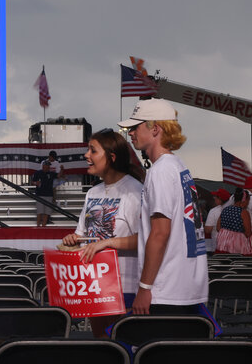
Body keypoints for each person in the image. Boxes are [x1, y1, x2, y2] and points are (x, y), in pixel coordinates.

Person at [117, 99, 208, 317]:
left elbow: (160, 232)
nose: (130, 133)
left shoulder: (160, 172)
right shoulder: (178, 166)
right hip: (185, 286)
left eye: (135, 127)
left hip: (165, 291)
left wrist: (145, 288)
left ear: (155, 128)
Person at [61, 130, 145, 337]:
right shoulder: (93, 192)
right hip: (93, 283)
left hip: (124, 284)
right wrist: (74, 239)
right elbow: (82, 234)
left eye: (93, 150)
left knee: (122, 345)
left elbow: (144, 240)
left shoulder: (135, 191)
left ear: (111, 157)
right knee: (102, 344)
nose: (86, 155)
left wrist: (106, 243)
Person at [214, 188, 252, 255]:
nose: (248, 203)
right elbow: (248, 233)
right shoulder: (244, 213)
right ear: (244, 200)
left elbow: (218, 228)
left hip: (222, 245)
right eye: (248, 200)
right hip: (237, 246)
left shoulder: (225, 210)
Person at [31, 160, 59, 227]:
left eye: (49, 166)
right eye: (47, 165)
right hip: (40, 195)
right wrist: (36, 183)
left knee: (47, 212)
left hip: (49, 195)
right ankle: (38, 226)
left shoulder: (51, 173)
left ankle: (43, 226)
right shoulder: (38, 173)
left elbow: (59, 175)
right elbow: (32, 182)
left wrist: (62, 169)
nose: (48, 167)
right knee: (39, 212)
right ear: (43, 166)